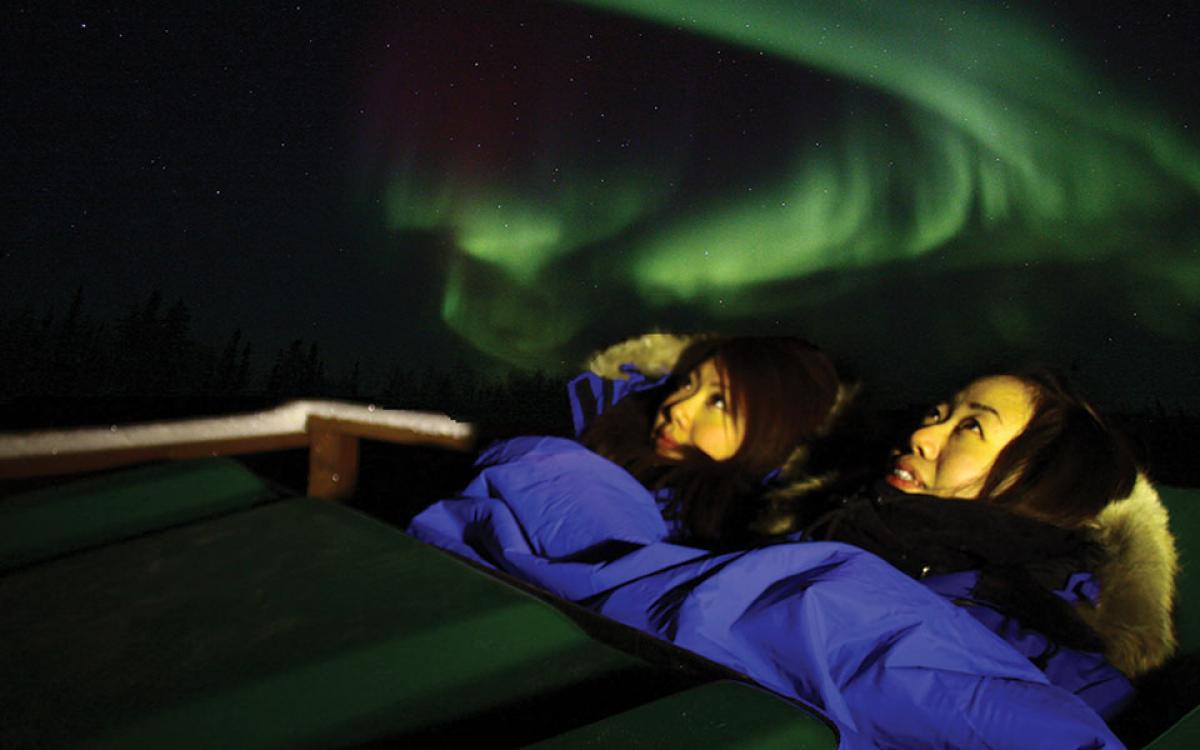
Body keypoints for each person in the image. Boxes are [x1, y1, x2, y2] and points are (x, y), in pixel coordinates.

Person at [754, 368, 1179, 724]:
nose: (923, 434)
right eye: (937, 413)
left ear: (1037, 480)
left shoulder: (1032, 645)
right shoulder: (839, 527)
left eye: (971, 427)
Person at [571, 332, 864, 544]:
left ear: (777, 431)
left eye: (719, 402)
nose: (677, 408)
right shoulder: (596, 421)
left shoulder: (759, 544)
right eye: (687, 384)